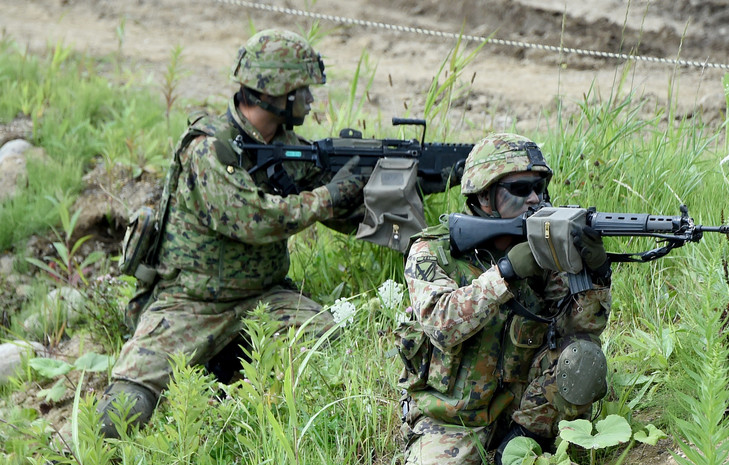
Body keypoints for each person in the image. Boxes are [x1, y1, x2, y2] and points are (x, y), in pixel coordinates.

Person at [96, 29, 368, 438]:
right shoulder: (209, 149)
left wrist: (382, 182)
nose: (310, 100)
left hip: (264, 297)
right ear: (276, 92)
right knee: (126, 403)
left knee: (329, 348)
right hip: (191, 302)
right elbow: (254, 220)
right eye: (302, 91)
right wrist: (329, 196)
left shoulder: (286, 145)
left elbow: (344, 214)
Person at [396, 133, 613, 464]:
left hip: (523, 410)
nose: (535, 198)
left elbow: (579, 331)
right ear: (485, 195)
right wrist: (505, 273)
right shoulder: (433, 251)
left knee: (582, 356)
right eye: (521, 188)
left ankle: (523, 444)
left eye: (540, 187)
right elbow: (442, 325)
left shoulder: (543, 251)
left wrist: (596, 273)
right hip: (450, 419)